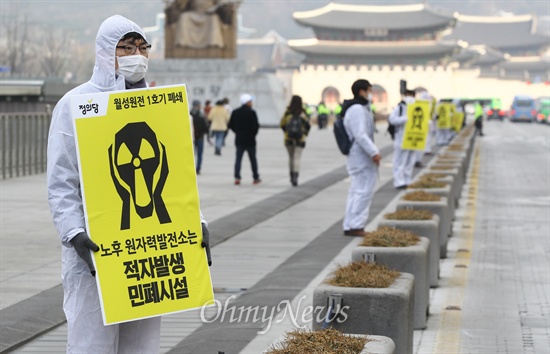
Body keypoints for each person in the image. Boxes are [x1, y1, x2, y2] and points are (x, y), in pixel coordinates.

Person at [46, 15, 211, 353]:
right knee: (91, 342)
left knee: (143, 344)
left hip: (147, 255)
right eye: (126, 47)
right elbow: (61, 180)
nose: (137, 53)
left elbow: (176, 176)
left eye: (142, 46)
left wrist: (197, 222)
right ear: (106, 52)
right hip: (96, 253)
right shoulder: (75, 104)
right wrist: (74, 232)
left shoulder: (158, 105)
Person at [341, 79, 381, 237]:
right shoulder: (357, 109)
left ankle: (350, 223)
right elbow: (360, 134)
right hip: (360, 156)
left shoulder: (358, 108)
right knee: (363, 191)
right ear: (362, 91)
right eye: (369, 90)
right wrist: (374, 152)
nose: (371, 94)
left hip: (358, 156)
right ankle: (356, 225)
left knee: (356, 190)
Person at [228, 93, 261, 185]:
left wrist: (238, 132)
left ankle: (237, 177)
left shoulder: (235, 112)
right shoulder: (252, 112)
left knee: (238, 159)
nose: (251, 103)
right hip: (250, 140)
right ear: (246, 102)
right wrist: (252, 134)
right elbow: (256, 127)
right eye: (250, 101)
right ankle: (255, 177)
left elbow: (231, 125)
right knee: (253, 159)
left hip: (239, 139)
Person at [279, 95, 311, 186]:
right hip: (300, 139)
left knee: (291, 158)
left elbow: (282, 124)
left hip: (288, 139)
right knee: (297, 158)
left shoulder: (287, 113)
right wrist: (304, 134)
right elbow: (308, 126)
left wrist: (287, 133)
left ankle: (291, 175)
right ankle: (295, 177)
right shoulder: (303, 113)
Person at [389, 89, 417, 189]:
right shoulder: (400, 107)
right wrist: (405, 119)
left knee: (410, 160)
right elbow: (392, 119)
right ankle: (399, 181)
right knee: (400, 161)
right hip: (401, 139)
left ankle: (407, 179)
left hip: (413, 138)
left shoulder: (417, 107)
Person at [191, 99, 210, 174]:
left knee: (191, 154)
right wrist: (206, 133)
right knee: (199, 154)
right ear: (198, 105)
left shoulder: (188, 114)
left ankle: (191, 168)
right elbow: (206, 126)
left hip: (191, 137)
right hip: (200, 137)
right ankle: (198, 168)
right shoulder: (201, 115)